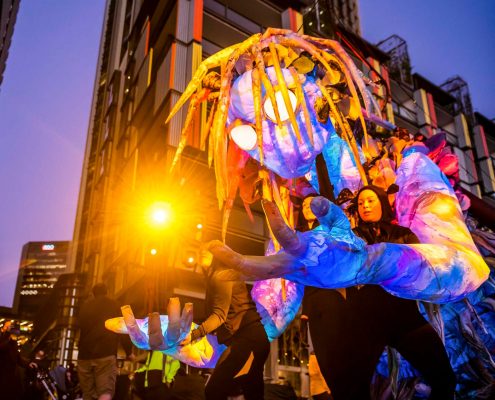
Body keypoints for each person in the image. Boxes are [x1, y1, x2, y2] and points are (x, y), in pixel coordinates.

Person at [305, 185, 456, 399]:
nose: (365, 206)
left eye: (371, 200)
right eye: (360, 203)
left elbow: (421, 266)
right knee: (351, 391)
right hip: (363, 320)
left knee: (445, 378)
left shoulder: (403, 234)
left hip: (403, 316)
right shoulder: (351, 237)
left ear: (382, 203)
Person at [180, 258, 270, 400]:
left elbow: (219, 315)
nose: (199, 252)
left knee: (214, 390)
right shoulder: (220, 276)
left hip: (249, 340)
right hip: (251, 339)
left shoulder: (222, 276)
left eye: (205, 248)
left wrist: (194, 335)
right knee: (252, 393)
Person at [77, 283, 133, 400]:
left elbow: (80, 329)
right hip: (105, 354)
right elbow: (122, 330)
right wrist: (129, 352)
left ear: (93, 293)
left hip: (84, 356)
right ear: (107, 292)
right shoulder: (115, 305)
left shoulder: (84, 307)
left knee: (88, 394)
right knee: (105, 391)